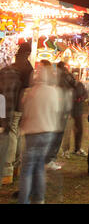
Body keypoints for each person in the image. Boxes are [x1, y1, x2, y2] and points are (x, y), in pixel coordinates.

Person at [18, 61, 60, 204]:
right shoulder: (53, 91)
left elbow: (26, 112)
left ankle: (24, 200)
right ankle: (39, 198)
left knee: (27, 169)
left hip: (33, 132)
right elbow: (56, 111)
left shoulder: (32, 92)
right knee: (39, 166)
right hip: (48, 132)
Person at [45, 61, 76, 170]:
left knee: (53, 134)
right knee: (57, 135)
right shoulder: (65, 77)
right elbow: (74, 83)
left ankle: (49, 158)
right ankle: (50, 159)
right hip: (62, 108)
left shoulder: (54, 76)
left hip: (56, 108)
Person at [0, 58, 23, 186]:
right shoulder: (19, 73)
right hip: (16, 111)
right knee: (15, 136)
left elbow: (6, 99)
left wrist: (5, 122)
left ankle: (7, 172)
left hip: (9, 113)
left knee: (9, 138)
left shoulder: (7, 74)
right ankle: (14, 168)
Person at [71, 72, 88, 156]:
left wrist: (81, 98)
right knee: (72, 131)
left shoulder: (80, 84)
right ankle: (71, 149)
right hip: (72, 110)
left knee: (79, 130)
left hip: (78, 111)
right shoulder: (71, 86)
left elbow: (86, 93)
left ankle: (77, 148)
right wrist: (75, 99)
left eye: (77, 75)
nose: (76, 77)